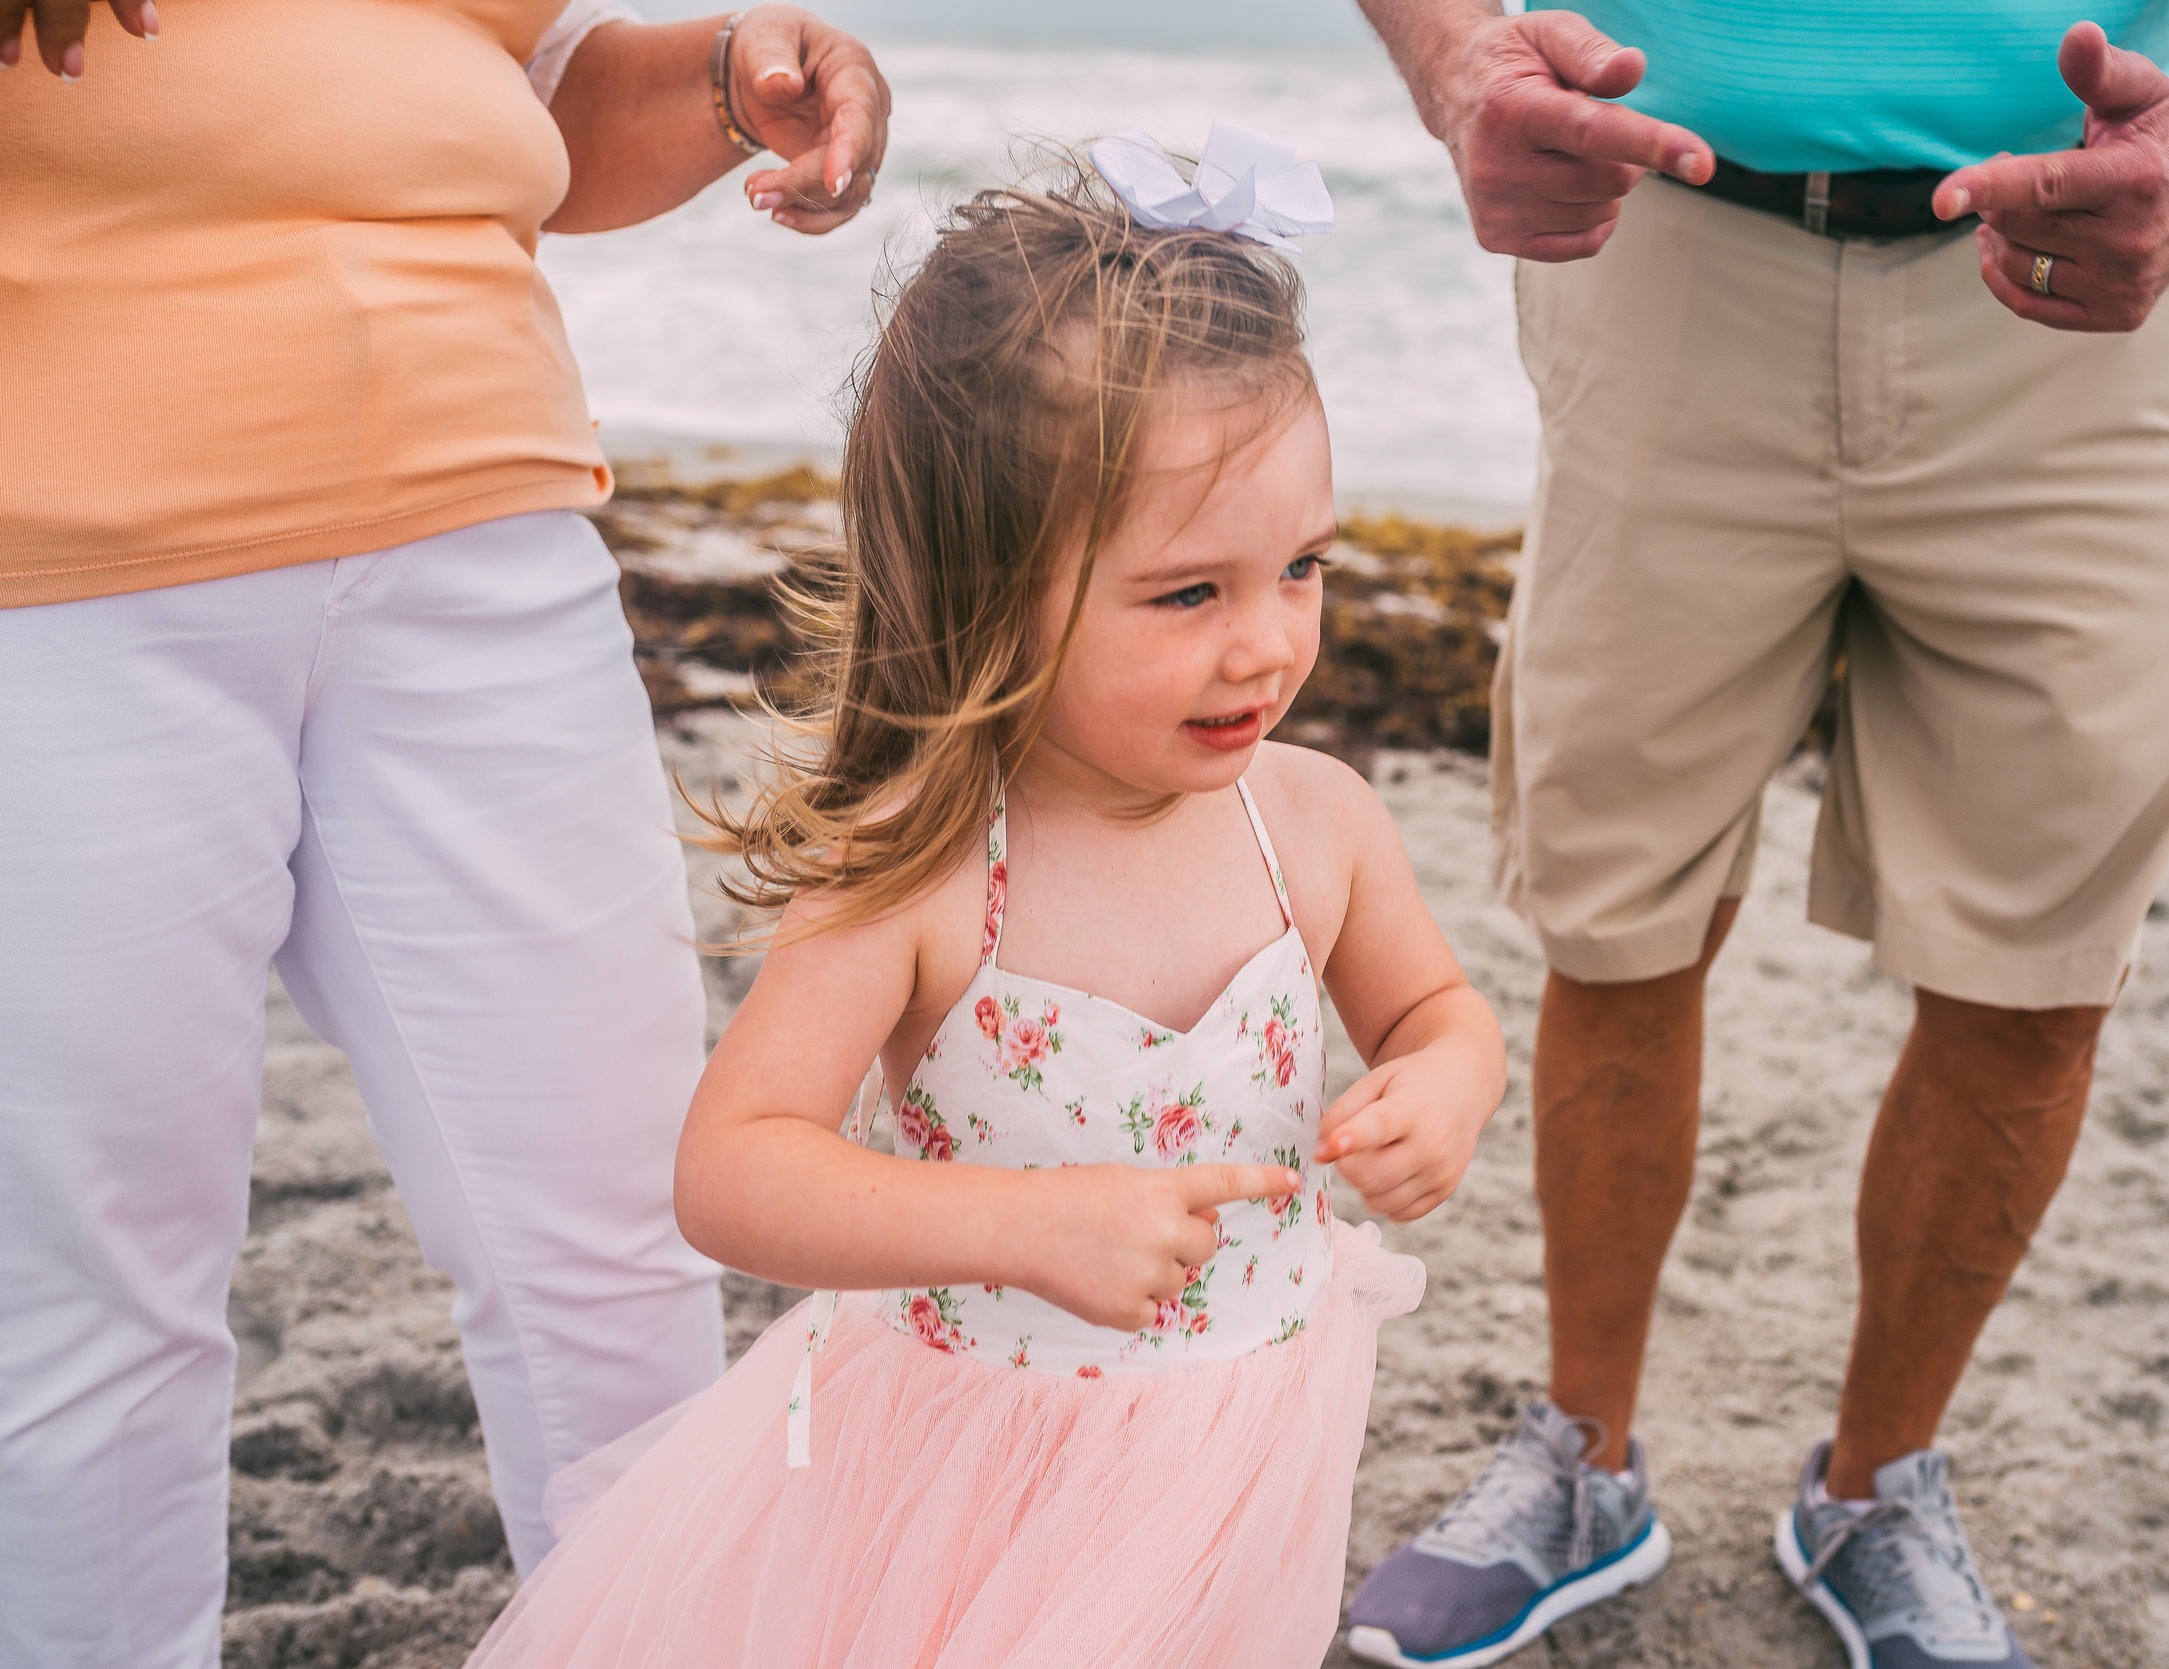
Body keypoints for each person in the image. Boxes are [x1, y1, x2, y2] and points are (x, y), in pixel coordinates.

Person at [1334, 1, 2169, 1666]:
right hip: (1662, 240)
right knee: (1615, 916)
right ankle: (1581, 1460)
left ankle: (1877, 1486)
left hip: (2078, 264)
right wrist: (1456, 60)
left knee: (2040, 965)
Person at [458, 157, 1506, 1669]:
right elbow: (734, 1172)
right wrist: (1027, 1226)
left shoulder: (1315, 820)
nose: (1268, 643)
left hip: (1243, 1445)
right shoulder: (929, 858)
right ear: (989, 581)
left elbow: (1437, 1010)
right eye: (1185, 595)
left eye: (1301, 567)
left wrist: (1450, 1079)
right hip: (975, 1476)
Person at [0, 5, 887, 1664]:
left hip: (486, 534)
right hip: (57, 568)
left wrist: (721, 80)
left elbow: (519, 95)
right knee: (92, 1311)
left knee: (621, 1232)